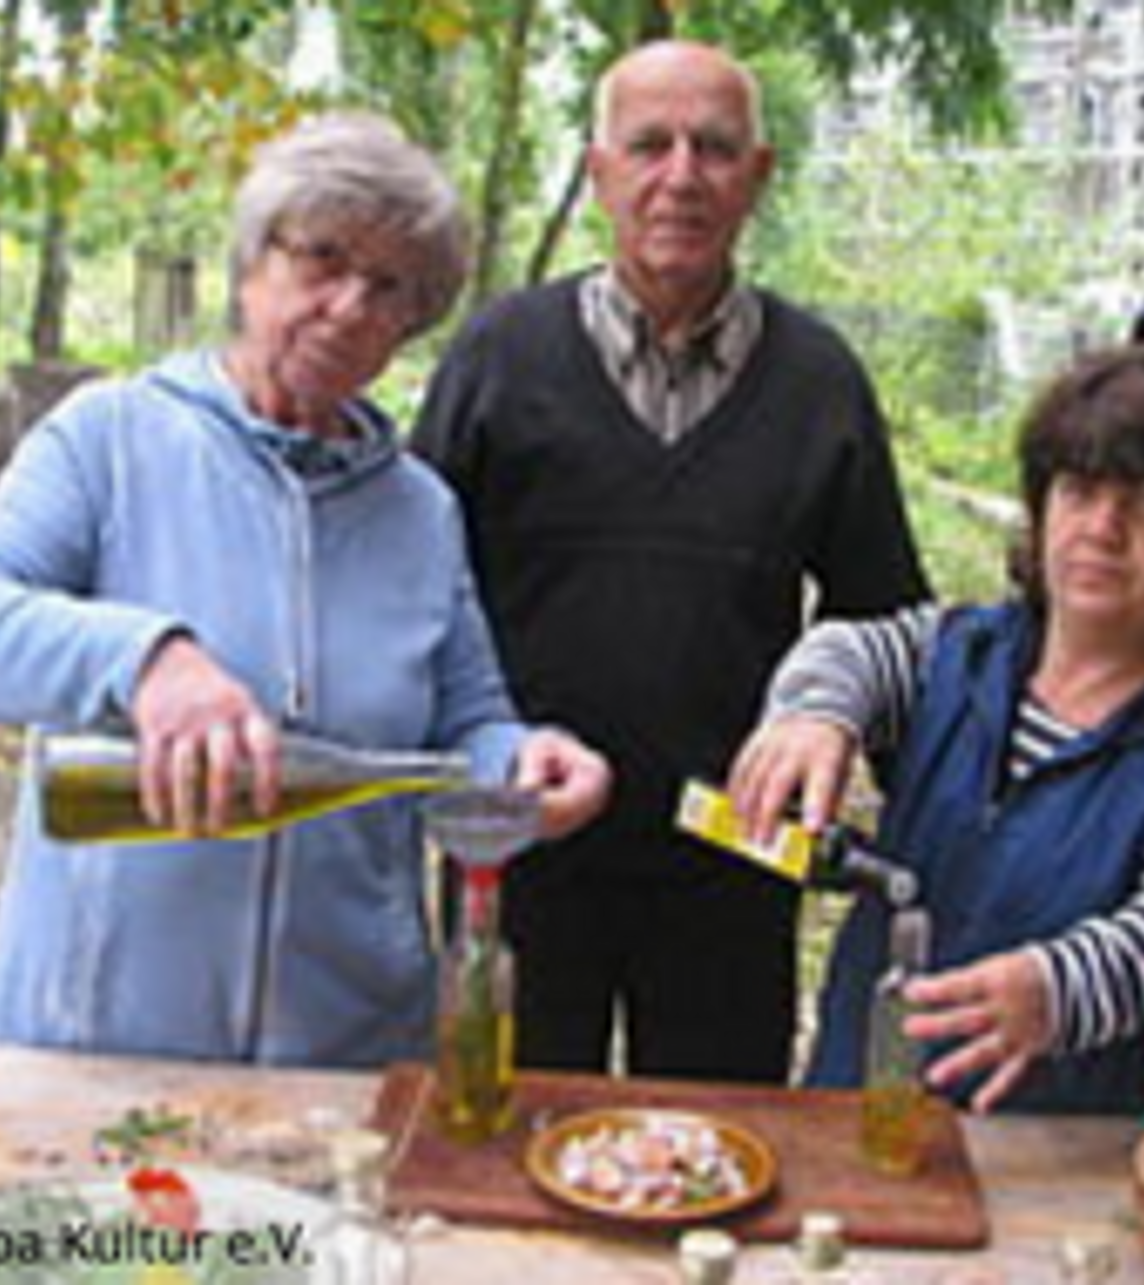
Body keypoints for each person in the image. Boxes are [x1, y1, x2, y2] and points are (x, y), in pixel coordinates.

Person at [0, 113, 610, 1069]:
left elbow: (467, 723)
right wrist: (148, 659)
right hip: (92, 1050)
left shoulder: (421, 511)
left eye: (390, 286)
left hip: (347, 1061)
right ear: (250, 266)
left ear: (413, 322)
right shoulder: (110, 438)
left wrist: (526, 763)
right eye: (322, 257)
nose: (350, 305)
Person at [411, 41, 925, 1084]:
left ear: (760, 176)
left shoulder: (820, 383)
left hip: (730, 871)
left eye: (714, 148)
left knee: (711, 1166)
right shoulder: (497, 358)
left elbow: (887, 621)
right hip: (518, 857)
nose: (680, 175)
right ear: (598, 170)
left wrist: (889, 781)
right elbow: (408, 594)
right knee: (502, 1149)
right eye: (649, 144)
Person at [729, 346, 1144, 1114]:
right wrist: (813, 714)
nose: (1103, 527)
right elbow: (848, 648)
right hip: (857, 1110)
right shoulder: (952, 655)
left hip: (1047, 1161)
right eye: (1080, 489)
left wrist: (1057, 988)